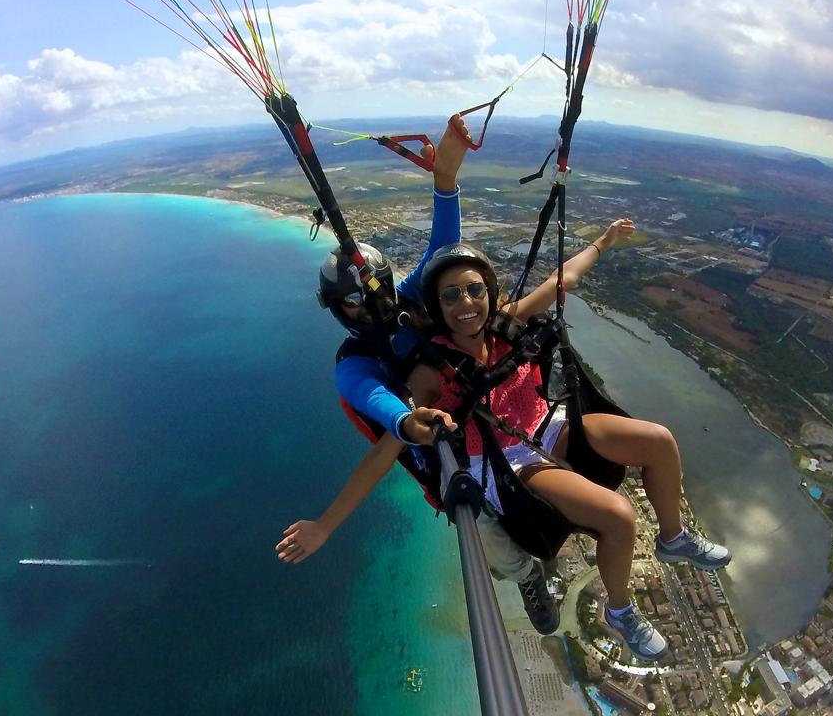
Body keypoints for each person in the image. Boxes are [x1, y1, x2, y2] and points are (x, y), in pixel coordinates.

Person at [280, 115, 559, 634]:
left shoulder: (410, 299)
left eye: (378, 293)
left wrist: (446, 181)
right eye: (356, 306)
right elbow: (373, 398)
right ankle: (526, 577)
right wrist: (408, 422)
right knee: (486, 532)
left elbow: (443, 248)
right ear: (339, 311)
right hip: (440, 444)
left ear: (391, 283)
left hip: (478, 406)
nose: (373, 309)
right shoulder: (355, 361)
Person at [403, 227, 731, 662]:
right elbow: (408, 418)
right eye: (450, 296)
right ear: (436, 306)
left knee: (658, 442)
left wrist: (606, 240)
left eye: (474, 289)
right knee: (618, 517)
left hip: (547, 426)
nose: (465, 302)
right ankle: (620, 611)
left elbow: (564, 279)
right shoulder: (432, 367)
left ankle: (672, 537)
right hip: (507, 462)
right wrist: (421, 420)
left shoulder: (507, 324)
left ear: (489, 292)